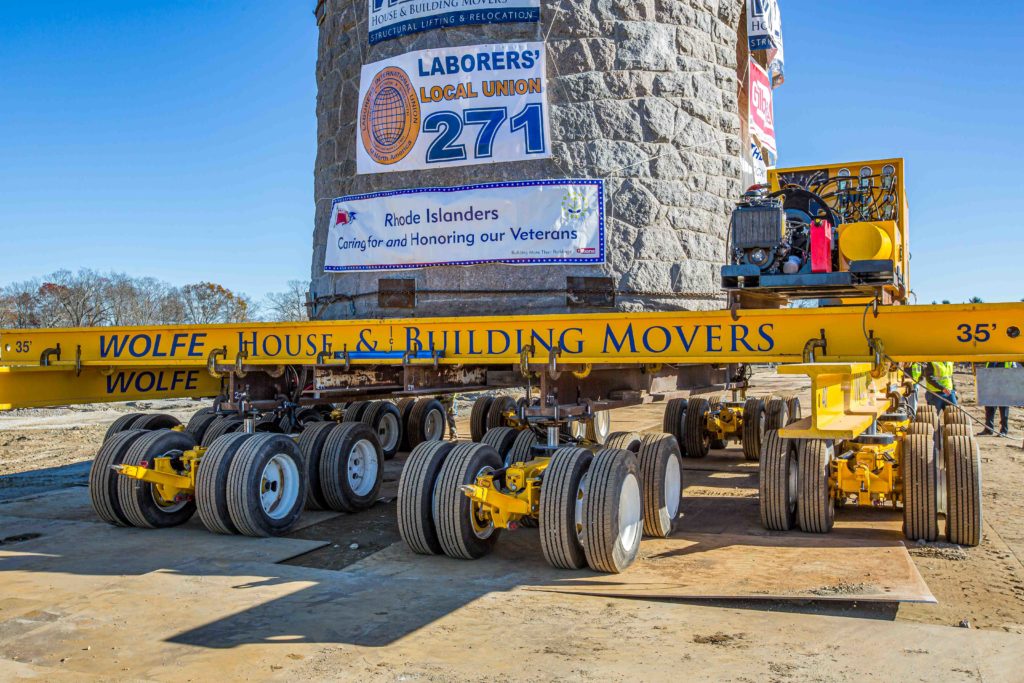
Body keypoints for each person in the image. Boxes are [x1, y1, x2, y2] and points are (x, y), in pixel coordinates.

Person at [980, 362, 1017, 437]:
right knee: (989, 408)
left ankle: (1004, 430)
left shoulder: (1009, 360)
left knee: (1003, 409)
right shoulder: (991, 360)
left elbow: (1014, 371)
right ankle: (988, 429)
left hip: (1004, 385)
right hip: (991, 385)